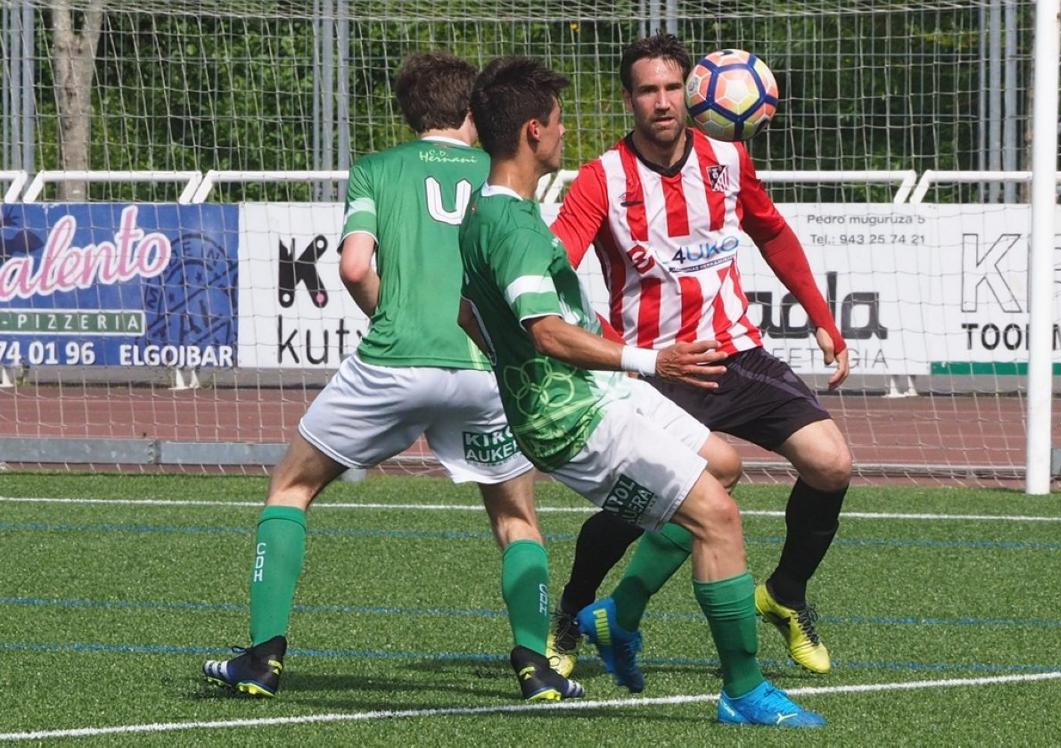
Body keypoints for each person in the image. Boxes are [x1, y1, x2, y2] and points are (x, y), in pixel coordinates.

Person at [202, 52, 583, 703]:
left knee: (291, 486)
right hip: (483, 367)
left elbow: (354, 267)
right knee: (516, 519)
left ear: (410, 113)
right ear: (473, 112)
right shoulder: (499, 170)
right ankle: (536, 668)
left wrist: (398, 315)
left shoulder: (376, 169)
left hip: (394, 361)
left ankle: (262, 659)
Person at [458, 55, 825, 727]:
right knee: (717, 518)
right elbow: (546, 333)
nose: (565, 133)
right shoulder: (513, 226)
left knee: (723, 466)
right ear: (534, 131)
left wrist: (532, 364)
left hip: (596, 389)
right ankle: (743, 691)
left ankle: (617, 617)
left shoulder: (496, 210)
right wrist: (650, 359)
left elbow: (469, 312)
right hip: (575, 416)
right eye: (559, 121)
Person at [545, 33, 853, 681]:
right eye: (647, 90)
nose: (661, 102)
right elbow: (556, 267)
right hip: (657, 370)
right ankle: (573, 611)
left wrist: (822, 320)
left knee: (831, 463)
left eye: (670, 88)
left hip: (738, 354)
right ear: (628, 99)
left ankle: (786, 593)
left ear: (692, 92)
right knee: (640, 504)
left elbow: (772, 231)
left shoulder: (728, 158)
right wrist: (602, 346)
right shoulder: (603, 178)